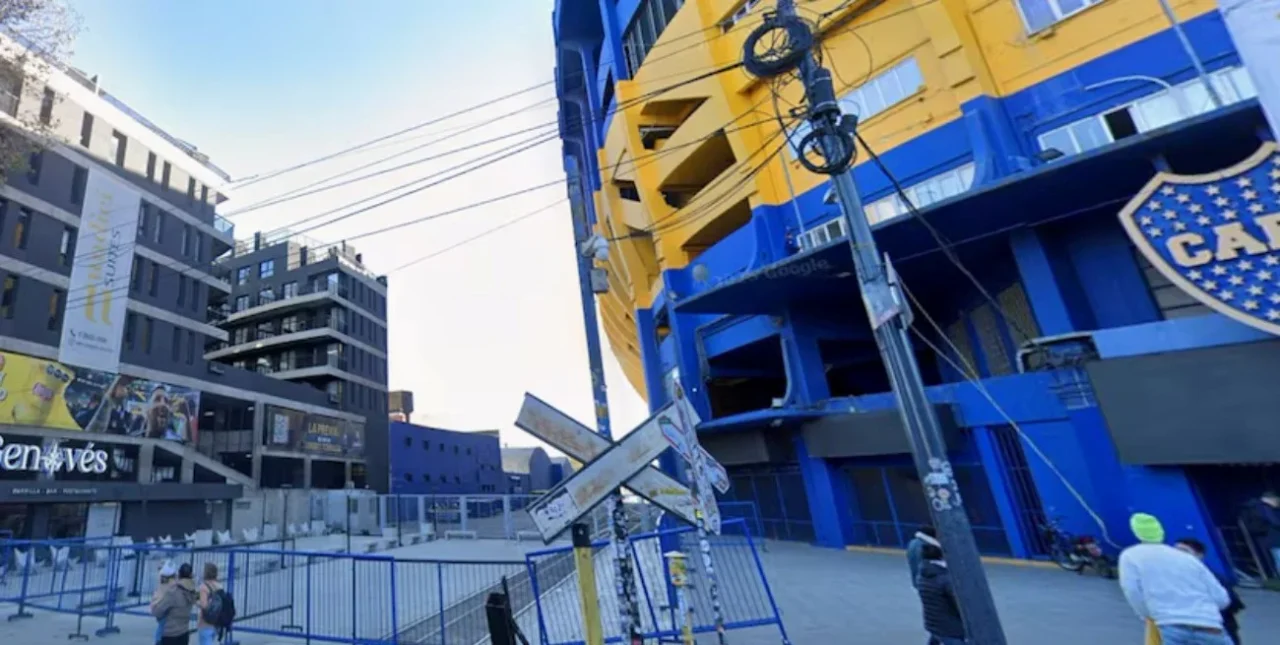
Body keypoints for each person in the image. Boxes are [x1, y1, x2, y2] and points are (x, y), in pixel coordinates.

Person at [1119, 513, 1232, 645]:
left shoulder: (1131, 556)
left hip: (1170, 625)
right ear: (1161, 532)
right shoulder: (1187, 558)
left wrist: (1148, 614)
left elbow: (1132, 590)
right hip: (1210, 626)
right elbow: (1222, 598)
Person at [1176, 538, 1245, 644]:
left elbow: (1232, 602)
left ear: (1199, 555)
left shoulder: (1212, 577)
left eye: (1184, 551)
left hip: (1217, 627)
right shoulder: (1173, 577)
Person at [917, 539, 967, 645]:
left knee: (936, 637)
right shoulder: (945, 579)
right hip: (950, 627)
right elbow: (959, 604)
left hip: (934, 622)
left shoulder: (924, 574)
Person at [151, 562, 197, 645]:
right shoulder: (192, 591)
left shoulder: (174, 592)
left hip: (170, 634)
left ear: (179, 574)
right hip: (184, 632)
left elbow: (157, 611)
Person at [1242, 492, 1280, 576]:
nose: (1277, 503)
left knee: (1276, 558)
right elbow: (1274, 521)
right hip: (1274, 537)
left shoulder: (1254, 506)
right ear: (1271, 499)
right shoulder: (1264, 508)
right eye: (1277, 501)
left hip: (1265, 537)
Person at [197, 562, 223, 645]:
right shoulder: (219, 586)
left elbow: (204, 605)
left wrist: (196, 602)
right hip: (216, 623)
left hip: (205, 623)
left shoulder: (203, 587)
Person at [150, 562, 177, 645]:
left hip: (157, 606)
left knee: (161, 626)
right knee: (163, 627)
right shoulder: (173, 584)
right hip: (165, 607)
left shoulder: (162, 582)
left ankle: (158, 641)